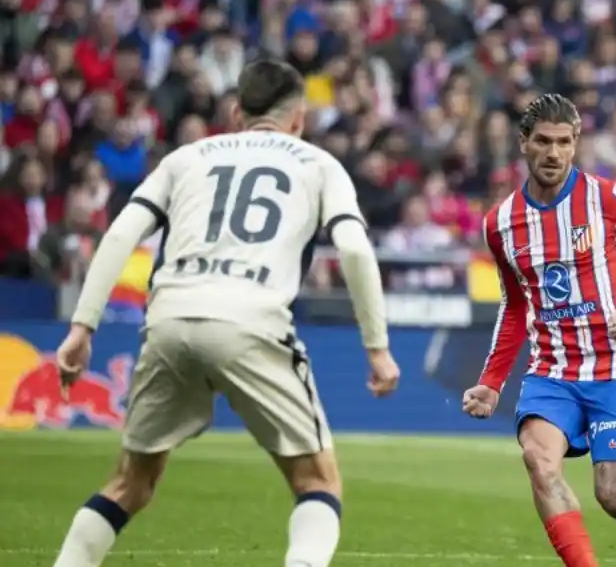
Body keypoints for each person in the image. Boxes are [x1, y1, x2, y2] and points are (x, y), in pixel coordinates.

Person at [50, 60, 400, 567]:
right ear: (299, 118)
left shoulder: (186, 158)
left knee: (131, 483)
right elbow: (354, 249)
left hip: (169, 317)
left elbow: (122, 234)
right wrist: (377, 347)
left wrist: (82, 328)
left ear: (236, 113)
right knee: (317, 483)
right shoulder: (319, 164)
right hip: (251, 319)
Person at [460, 93, 616, 567]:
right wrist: (492, 380)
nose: (553, 153)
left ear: (576, 143)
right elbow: (515, 304)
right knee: (539, 461)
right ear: (523, 143)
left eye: (564, 143)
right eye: (543, 141)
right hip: (552, 373)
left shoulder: (608, 198)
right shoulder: (500, 224)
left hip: (614, 371)